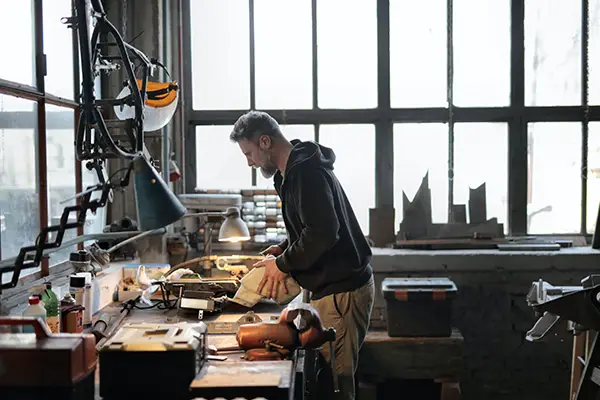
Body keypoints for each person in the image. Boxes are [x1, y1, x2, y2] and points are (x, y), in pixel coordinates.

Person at [229, 110, 375, 400]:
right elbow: (309, 225)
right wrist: (284, 248)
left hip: (342, 291)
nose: (249, 162)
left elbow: (323, 232)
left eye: (249, 153)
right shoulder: (292, 173)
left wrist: (282, 264)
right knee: (323, 378)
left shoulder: (306, 173)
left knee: (336, 384)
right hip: (328, 289)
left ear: (266, 142)